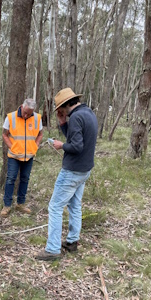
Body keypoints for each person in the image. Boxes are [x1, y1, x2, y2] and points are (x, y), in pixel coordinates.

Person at [35, 87, 98, 261]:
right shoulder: (88, 113)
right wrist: (63, 123)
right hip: (85, 170)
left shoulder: (77, 117)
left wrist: (60, 145)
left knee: (55, 207)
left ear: (64, 105)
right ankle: (72, 242)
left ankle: (53, 249)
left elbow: (76, 146)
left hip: (72, 170)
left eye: (60, 110)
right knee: (74, 205)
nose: (60, 112)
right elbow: (76, 138)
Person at [1, 98, 44, 217]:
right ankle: (7, 205)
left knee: (25, 179)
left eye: (29, 114)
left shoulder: (37, 118)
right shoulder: (11, 117)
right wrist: (11, 146)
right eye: (25, 112)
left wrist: (36, 145)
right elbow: (5, 134)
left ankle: (20, 203)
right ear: (21, 106)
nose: (26, 115)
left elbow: (40, 134)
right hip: (14, 155)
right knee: (11, 179)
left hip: (29, 155)